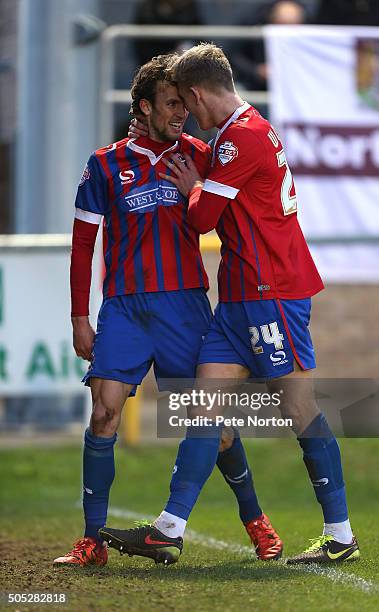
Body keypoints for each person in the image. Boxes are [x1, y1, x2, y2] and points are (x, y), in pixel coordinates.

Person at [100, 43, 360, 565]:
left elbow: (200, 219)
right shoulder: (236, 134)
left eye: (185, 102)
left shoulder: (241, 139)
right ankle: (169, 529)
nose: (185, 113)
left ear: (197, 93)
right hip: (238, 297)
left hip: (273, 295)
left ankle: (341, 535)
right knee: (202, 406)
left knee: (297, 407)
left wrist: (194, 188)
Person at [53, 54, 282, 568]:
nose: (181, 113)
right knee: (105, 413)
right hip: (125, 311)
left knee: (216, 425)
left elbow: (236, 211)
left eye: (184, 103)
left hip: (185, 309)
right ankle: (93, 540)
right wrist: (78, 316)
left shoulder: (203, 155)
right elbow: (82, 245)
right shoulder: (104, 163)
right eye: (172, 104)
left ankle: (257, 523)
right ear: (145, 106)